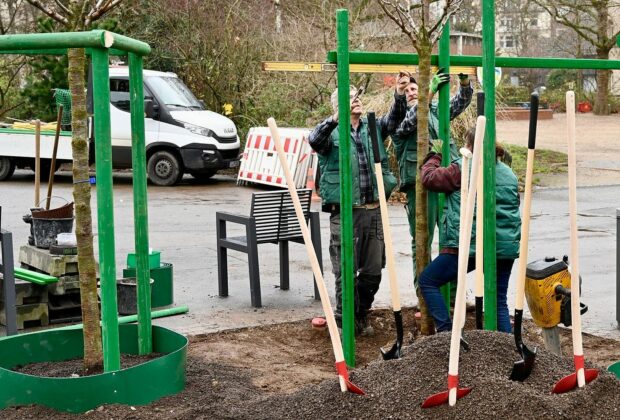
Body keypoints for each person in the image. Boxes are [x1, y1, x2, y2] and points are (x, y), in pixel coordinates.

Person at [308, 75, 409, 335]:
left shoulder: (372, 126)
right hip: (345, 213)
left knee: (373, 271)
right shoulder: (331, 133)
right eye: (350, 99)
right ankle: (345, 322)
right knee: (345, 272)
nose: (357, 101)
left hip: (374, 210)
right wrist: (335, 119)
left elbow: (395, 119)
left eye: (357, 97)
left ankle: (360, 314)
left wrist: (399, 94)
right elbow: (314, 140)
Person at [417, 127, 521, 333]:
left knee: (428, 280)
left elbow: (429, 178)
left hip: (470, 246)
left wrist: (434, 156)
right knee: (498, 299)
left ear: (470, 145)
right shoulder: (509, 173)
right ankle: (509, 350)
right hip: (504, 247)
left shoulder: (464, 168)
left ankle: (447, 334)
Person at [392, 69, 473, 290]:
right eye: (407, 90)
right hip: (420, 186)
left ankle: (452, 295)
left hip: (446, 183)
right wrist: (426, 94)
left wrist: (464, 84)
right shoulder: (399, 118)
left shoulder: (437, 110)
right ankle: (423, 295)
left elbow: (459, 103)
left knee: (453, 239)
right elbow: (414, 119)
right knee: (422, 241)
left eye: (414, 88)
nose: (410, 92)